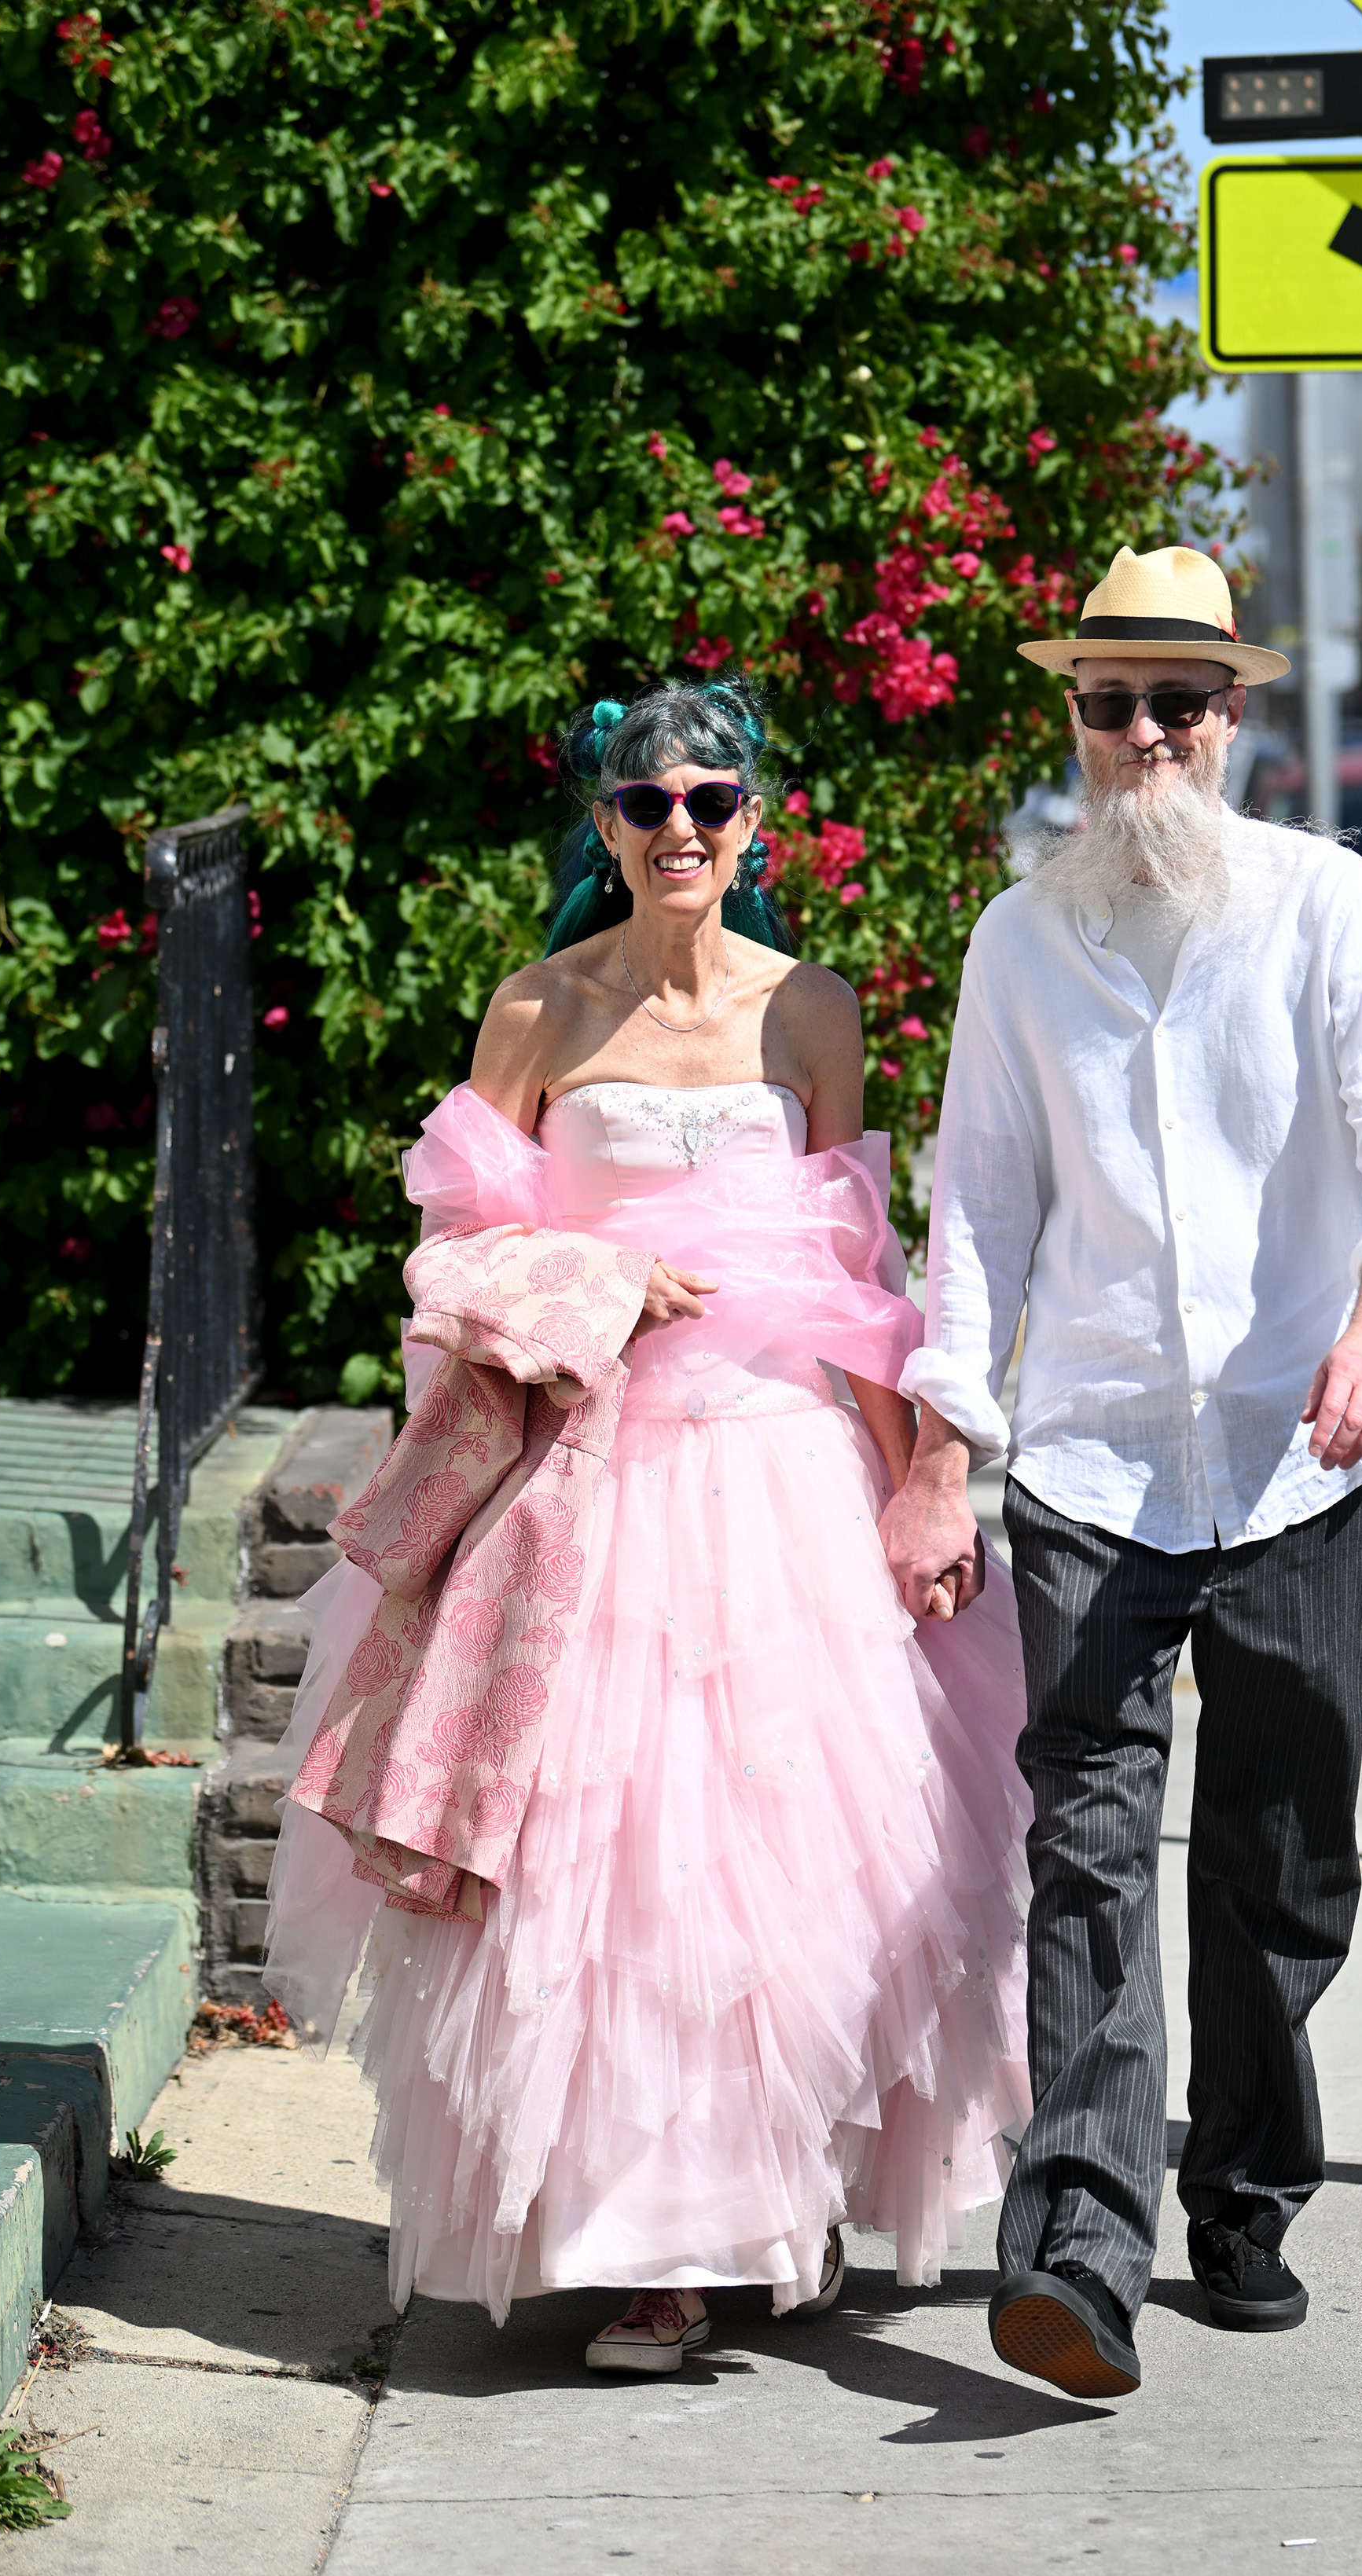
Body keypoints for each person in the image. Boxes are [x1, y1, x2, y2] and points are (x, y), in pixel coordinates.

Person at [263, 675, 1031, 2376]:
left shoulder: (810, 1011)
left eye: (711, 799)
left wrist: (921, 1485)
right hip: (591, 1486)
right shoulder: (538, 1012)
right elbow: (449, 1263)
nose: (679, 827)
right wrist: (597, 1273)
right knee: (602, 1882)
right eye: (646, 802)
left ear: (759, 820)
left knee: (788, 1880)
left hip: (782, 1482)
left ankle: (761, 2209)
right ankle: (652, 2255)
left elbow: (859, 1275)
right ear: (603, 824)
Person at [879, 545, 1362, 2401]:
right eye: (1111, 702)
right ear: (1071, 718)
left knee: (1283, 1860)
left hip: (1305, 1449)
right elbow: (975, 1209)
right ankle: (1077, 2245)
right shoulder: (1015, 942)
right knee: (1090, 1848)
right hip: (1094, 1461)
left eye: (1179, 704)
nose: (1144, 736)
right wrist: (937, 1447)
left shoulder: (1327, 907)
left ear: (1233, 722)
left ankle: (1246, 2187)